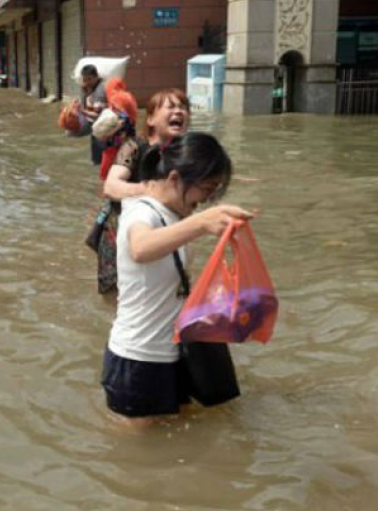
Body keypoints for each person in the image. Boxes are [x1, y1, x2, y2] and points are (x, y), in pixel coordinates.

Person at [100, 132, 254, 426]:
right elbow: (141, 247)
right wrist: (203, 223)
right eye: (206, 188)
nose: (207, 200)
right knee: (136, 460)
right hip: (138, 359)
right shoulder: (141, 212)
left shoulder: (172, 214)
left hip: (172, 355)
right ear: (174, 178)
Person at [94, 88, 191, 294]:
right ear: (151, 120)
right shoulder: (135, 146)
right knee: (120, 297)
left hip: (162, 234)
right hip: (122, 234)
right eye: (171, 107)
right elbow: (111, 186)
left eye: (183, 107)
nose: (179, 112)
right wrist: (153, 190)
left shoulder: (184, 155)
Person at [79, 65, 108, 165]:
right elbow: (87, 107)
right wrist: (86, 94)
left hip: (104, 128)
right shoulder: (89, 88)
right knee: (96, 160)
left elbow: (98, 115)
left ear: (96, 77)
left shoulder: (101, 90)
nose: (87, 82)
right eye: (84, 79)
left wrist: (82, 111)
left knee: (100, 160)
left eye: (89, 79)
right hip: (96, 128)